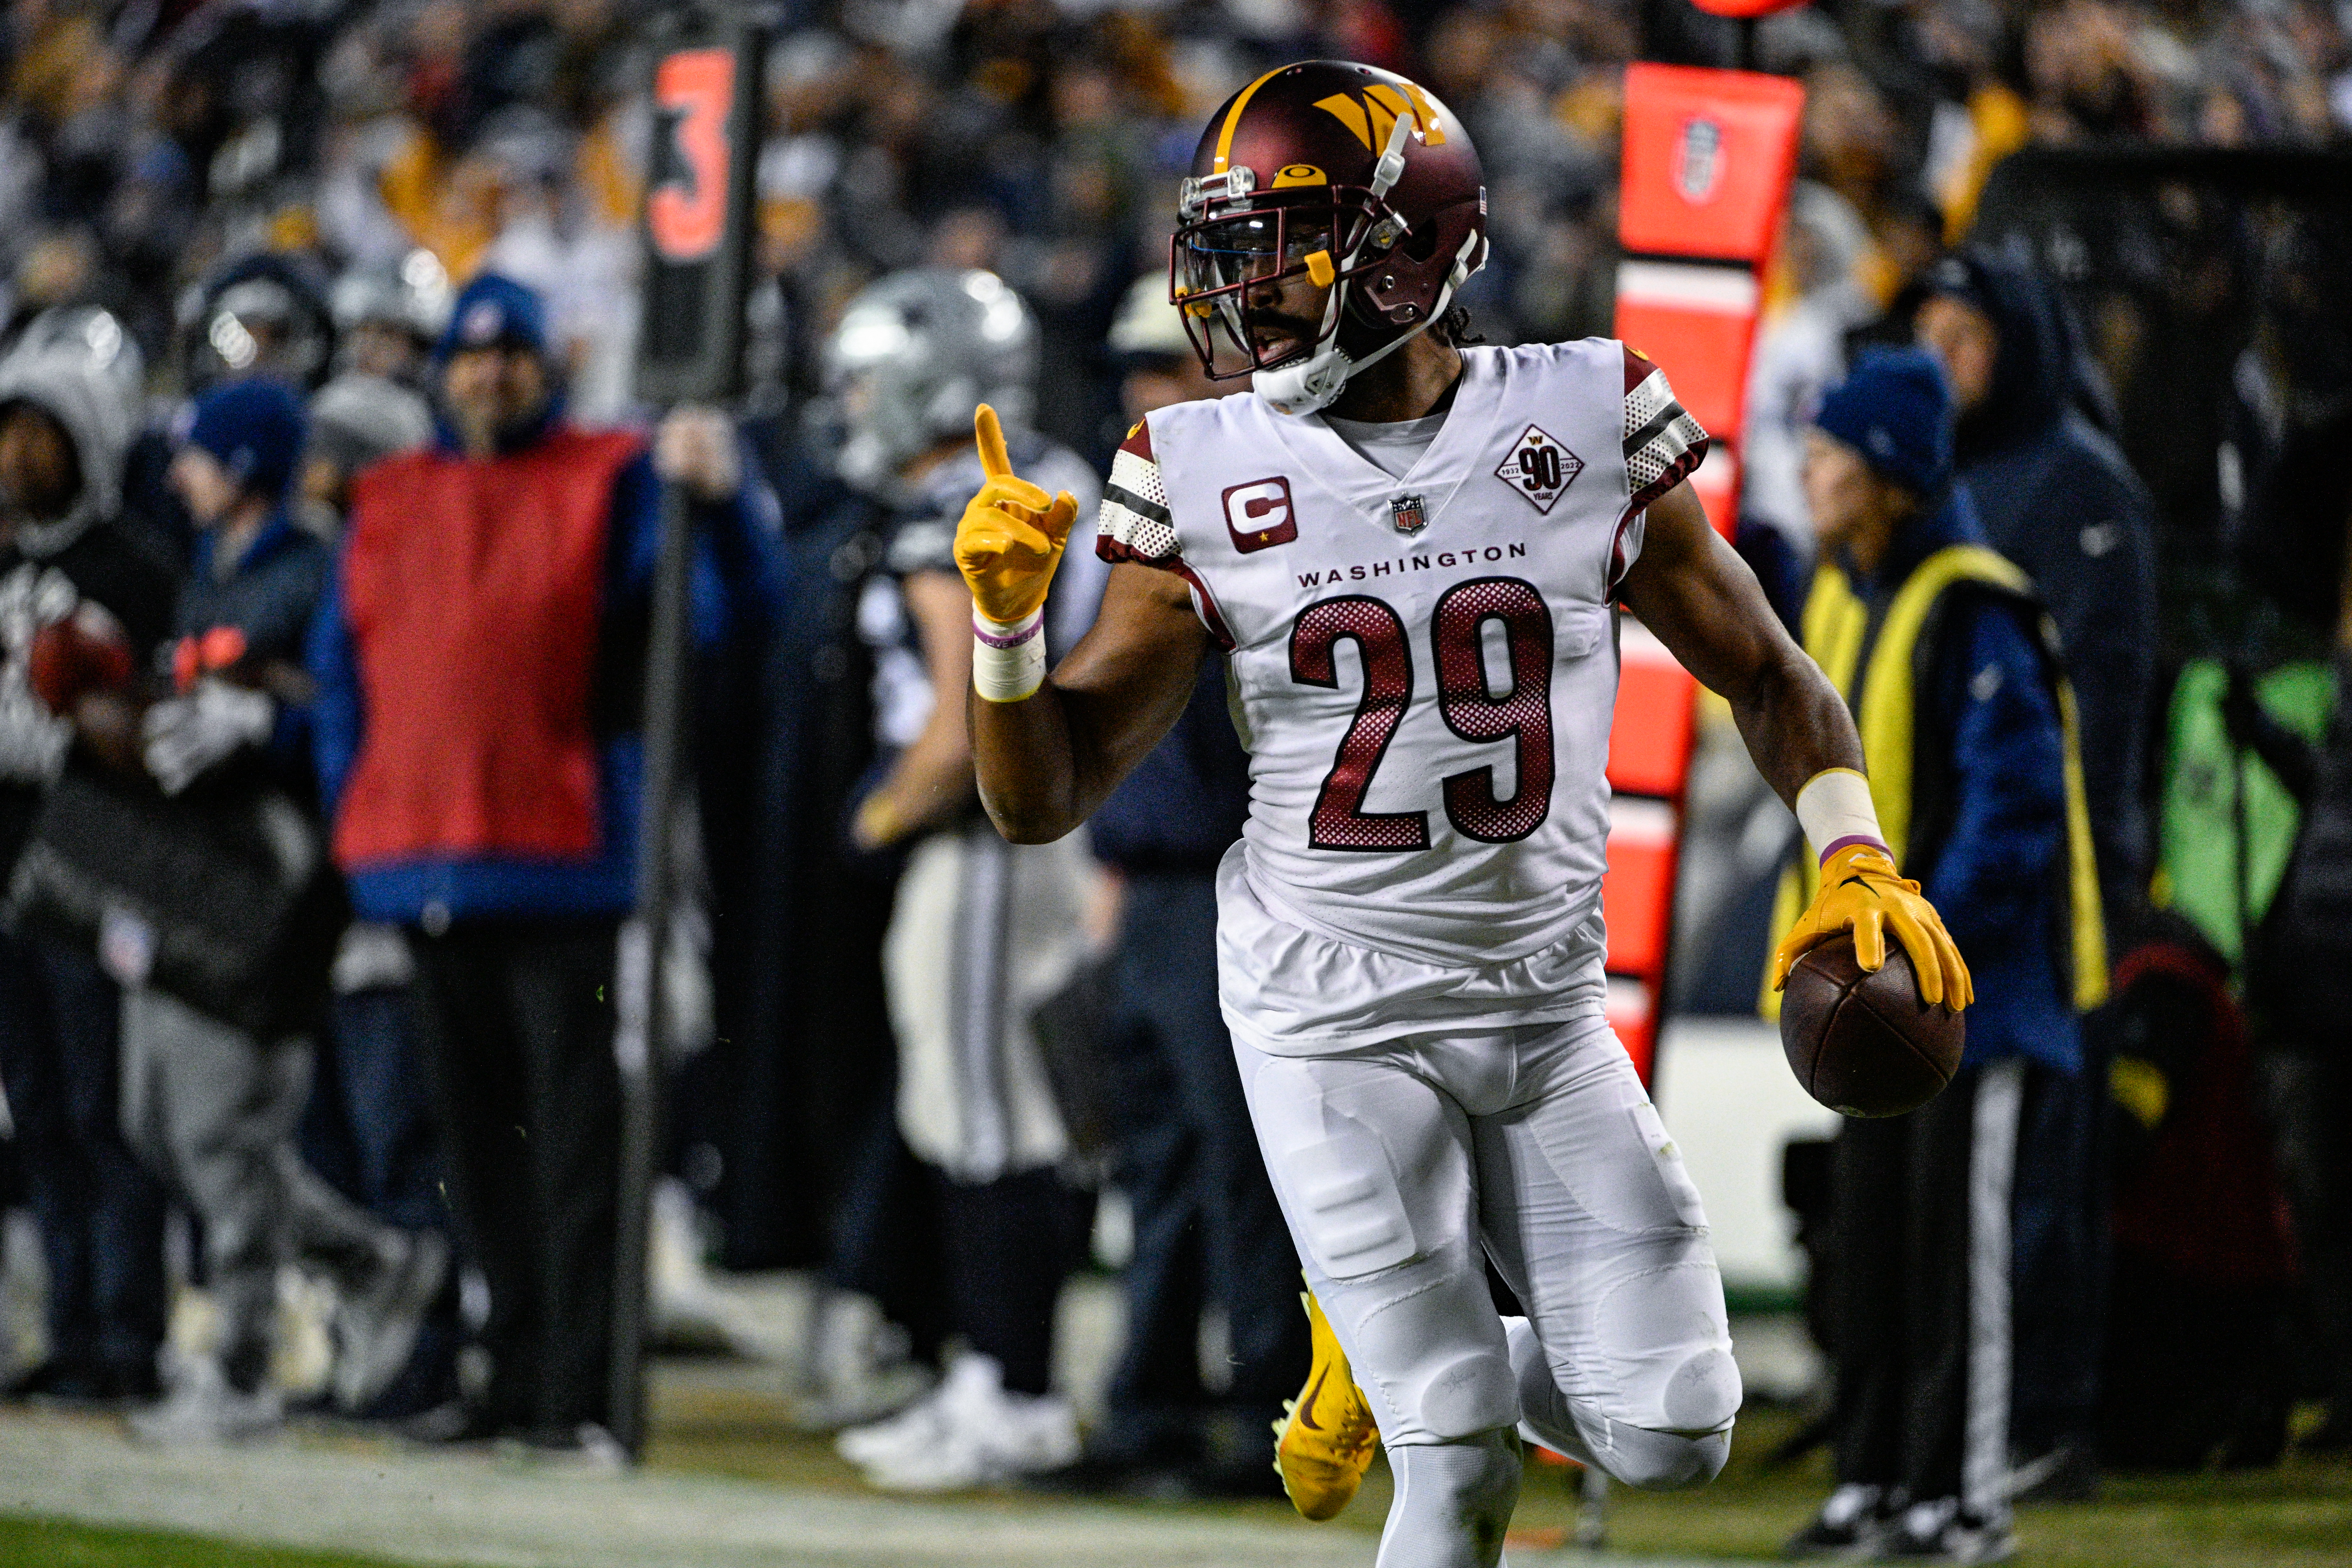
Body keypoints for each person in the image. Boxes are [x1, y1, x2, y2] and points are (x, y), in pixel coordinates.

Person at [954, 61, 1971, 1567]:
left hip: (1546, 1007)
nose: (1245, 290)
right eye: (1227, 248)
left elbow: (1767, 672)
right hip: (1328, 1009)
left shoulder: (1581, 415)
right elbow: (1042, 796)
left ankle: (1396, 1354)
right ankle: (1416, 1371)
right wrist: (1008, 638)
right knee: (1460, 1462)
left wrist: (1852, 846)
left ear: (1403, 247)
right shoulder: (1200, 464)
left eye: (1281, 243)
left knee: (1679, 1426)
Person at [309, 273, 780, 1453]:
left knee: (574, 1152)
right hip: (424, 870)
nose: (488, 372)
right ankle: (512, 1377)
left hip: (566, 867)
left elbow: (720, 621)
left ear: (546, 364)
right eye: (471, 355)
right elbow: (340, 676)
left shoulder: (607, 477)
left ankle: (579, 1390)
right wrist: (357, 814)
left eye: (510, 352)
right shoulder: (394, 497)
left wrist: (724, 507)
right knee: (470, 1161)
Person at [1777, 348, 2105, 1562]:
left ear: (1893, 474)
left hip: (1970, 996)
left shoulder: (1976, 600)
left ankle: (1960, 1496)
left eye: (1833, 452)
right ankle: (1871, 1475)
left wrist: (1909, 949)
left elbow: (2013, 810)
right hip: (1880, 992)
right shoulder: (1841, 591)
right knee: (1872, 1246)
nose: (1809, 469)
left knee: (1955, 1255)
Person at [118, 378, 447, 1445]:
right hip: (194, 870)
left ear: (248, 462)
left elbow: (353, 712)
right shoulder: (217, 566)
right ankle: (365, 1258)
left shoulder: (313, 568)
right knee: (155, 1119)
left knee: (225, 1131)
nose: (181, 475)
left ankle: (244, 1365)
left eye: (202, 455)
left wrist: (267, 720)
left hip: (276, 875)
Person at [823, 268, 1103, 1493]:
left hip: (989, 834)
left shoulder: (965, 495)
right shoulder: (1046, 469)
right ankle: (994, 1375)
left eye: (875, 376)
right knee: (974, 1107)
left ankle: (1017, 1387)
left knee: (989, 1115)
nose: (858, 401)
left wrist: (883, 817)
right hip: (1029, 827)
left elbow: (957, 722)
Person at [1030, 274, 1306, 1498]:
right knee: (1156, 1159)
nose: (1142, 390)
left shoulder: (1252, 514)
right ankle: (1151, 1401)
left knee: (1240, 1154)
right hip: (1147, 881)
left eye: (1163, 364)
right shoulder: (1137, 510)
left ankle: (1264, 1409)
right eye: (1132, 369)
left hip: (1222, 881)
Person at [1915, 248, 2156, 1496]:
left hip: (2055, 885)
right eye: (1930, 335)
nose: (1943, 359)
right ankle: (1952, 1401)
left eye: (1967, 337)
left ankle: (2047, 1415)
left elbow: (2100, 714)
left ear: (2019, 346)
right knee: (1957, 1168)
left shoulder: (2076, 482)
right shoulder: (1941, 476)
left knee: (2042, 1159)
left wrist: (2084, 880)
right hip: (1945, 874)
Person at [0, 343, 175, 1408]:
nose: (18, 456)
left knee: (109, 1113)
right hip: (8, 875)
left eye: (40, 433)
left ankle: (128, 1335)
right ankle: (71, 1328)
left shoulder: (136, 570)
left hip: (97, 873)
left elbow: (155, 734)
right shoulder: (5, 565)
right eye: (8, 433)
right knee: (42, 1115)